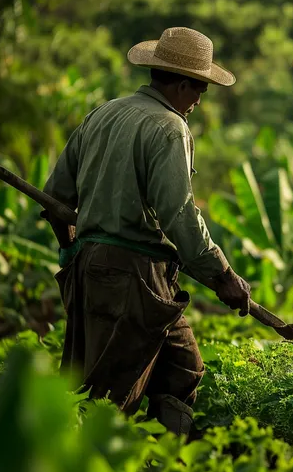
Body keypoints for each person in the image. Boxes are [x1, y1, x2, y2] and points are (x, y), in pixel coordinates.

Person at [42, 27, 252, 438]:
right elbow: (179, 215)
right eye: (198, 91)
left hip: (102, 266)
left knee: (182, 366)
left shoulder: (103, 113)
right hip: (133, 273)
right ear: (179, 84)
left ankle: (162, 457)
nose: (198, 102)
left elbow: (54, 199)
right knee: (109, 393)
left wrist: (72, 252)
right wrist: (223, 274)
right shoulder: (169, 127)